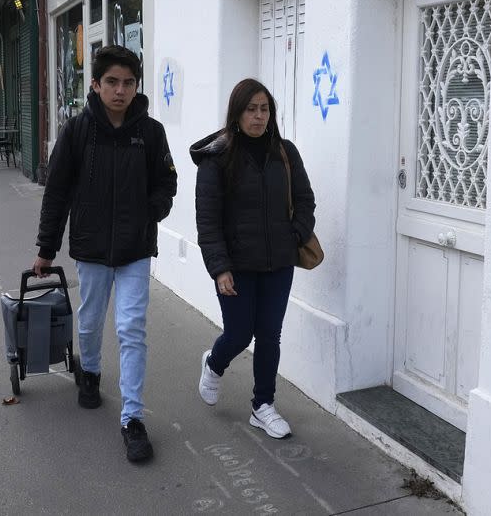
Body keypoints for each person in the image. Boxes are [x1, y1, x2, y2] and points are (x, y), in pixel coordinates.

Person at [33, 45, 177, 462]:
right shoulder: (78, 131)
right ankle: (91, 372)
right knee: (92, 320)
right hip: (92, 248)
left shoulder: (150, 133)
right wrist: (46, 248)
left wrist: (151, 211)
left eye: (128, 82)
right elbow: (57, 193)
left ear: (136, 87)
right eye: (111, 82)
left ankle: (132, 418)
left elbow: (166, 184)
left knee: (132, 328)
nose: (120, 90)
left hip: (135, 249)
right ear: (95, 85)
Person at [190, 78, 316, 439]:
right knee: (239, 333)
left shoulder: (285, 153)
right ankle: (214, 363)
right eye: (251, 109)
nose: (259, 117)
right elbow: (208, 220)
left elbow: (305, 200)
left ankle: (263, 406)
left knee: (270, 336)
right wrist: (220, 268)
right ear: (237, 112)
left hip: (279, 263)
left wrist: (294, 236)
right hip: (237, 266)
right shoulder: (217, 159)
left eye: (265, 109)